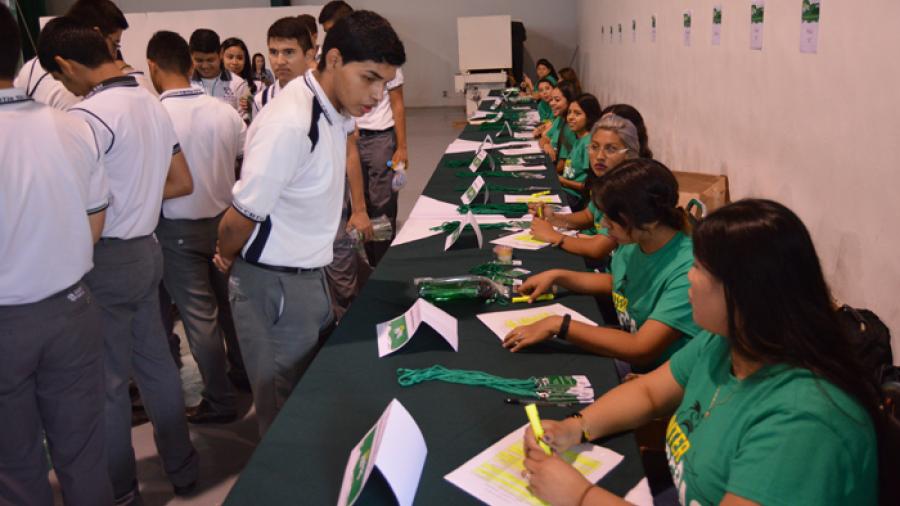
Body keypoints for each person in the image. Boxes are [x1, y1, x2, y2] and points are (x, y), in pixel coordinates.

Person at [521, 199, 880, 506]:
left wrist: (581, 497)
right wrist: (576, 427)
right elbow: (648, 393)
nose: (688, 278)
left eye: (698, 268)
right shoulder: (726, 341)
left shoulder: (804, 422)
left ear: (745, 293)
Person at [213, 10, 406, 436]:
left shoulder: (333, 105)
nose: (377, 95)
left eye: (385, 83)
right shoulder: (291, 123)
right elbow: (240, 217)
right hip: (275, 284)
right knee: (283, 414)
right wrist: (225, 255)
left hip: (308, 275)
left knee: (306, 397)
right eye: (370, 78)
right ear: (333, 60)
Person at [38, 17, 199, 501]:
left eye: (58, 76)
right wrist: (139, 199)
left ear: (66, 65)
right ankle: (185, 469)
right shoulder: (151, 102)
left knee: (105, 383)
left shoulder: (87, 119)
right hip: (148, 250)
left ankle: (122, 489)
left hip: (106, 259)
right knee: (156, 365)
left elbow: (77, 205)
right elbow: (179, 181)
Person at [0, 6, 113, 504]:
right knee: (83, 452)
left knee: (14, 465)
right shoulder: (72, 126)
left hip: (7, 324)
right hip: (71, 309)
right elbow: (94, 221)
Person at [505, 159, 703, 373]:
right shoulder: (637, 240)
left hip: (657, 373)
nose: (604, 225)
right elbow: (619, 281)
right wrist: (559, 276)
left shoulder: (688, 271)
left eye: (611, 218)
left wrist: (559, 325)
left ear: (647, 220)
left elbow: (641, 348)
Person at [147, 30, 246, 425]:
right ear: (190, 64)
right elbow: (243, 163)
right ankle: (243, 375)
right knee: (231, 309)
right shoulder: (225, 111)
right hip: (225, 222)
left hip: (178, 229)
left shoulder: (154, 116)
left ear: (152, 66)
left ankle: (220, 401)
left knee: (199, 319)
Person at [531, 107, 648, 261]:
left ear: (629, 152)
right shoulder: (605, 179)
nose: (599, 156)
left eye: (611, 149)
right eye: (594, 147)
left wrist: (554, 236)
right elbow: (589, 215)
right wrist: (554, 218)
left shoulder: (630, 189)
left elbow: (598, 248)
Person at [14, 0, 127, 110]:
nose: (114, 55)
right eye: (115, 44)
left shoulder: (31, 66)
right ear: (97, 35)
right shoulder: (75, 88)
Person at [249, 17, 316, 117]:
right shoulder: (261, 100)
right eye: (273, 52)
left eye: (289, 52)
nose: (280, 62)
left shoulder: (326, 95)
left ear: (308, 56)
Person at [558, 93, 602, 205]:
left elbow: (587, 186)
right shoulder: (578, 138)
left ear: (590, 116)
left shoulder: (588, 143)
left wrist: (563, 181)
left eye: (577, 113)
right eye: (569, 112)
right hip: (565, 190)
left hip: (575, 198)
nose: (570, 117)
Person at [189, 28, 248, 112]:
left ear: (220, 54)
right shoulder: (184, 83)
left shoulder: (238, 84)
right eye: (199, 60)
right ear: (191, 57)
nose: (205, 66)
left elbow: (245, 120)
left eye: (210, 60)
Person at [541, 80, 578, 170]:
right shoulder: (559, 118)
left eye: (557, 100)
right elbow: (544, 138)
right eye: (551, 99)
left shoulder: (570, 127)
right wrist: (546, 145)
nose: (551, 103)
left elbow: (562, 165)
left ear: (569, 101)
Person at [221, 37, 259, 121]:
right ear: (221, 58)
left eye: (240, 58)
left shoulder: (254, 86)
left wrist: (252, 108)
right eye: (230, 57)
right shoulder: (214, 83)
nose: (234, 62)